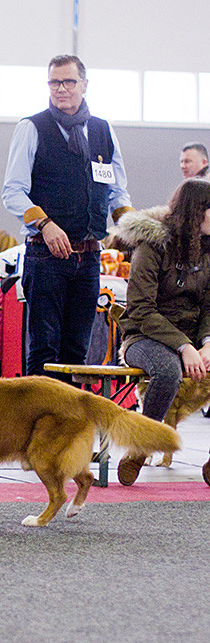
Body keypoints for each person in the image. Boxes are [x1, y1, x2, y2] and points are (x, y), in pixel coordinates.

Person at [2, 54, 133, 377]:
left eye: (68, 81)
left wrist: (132, 230)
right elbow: (13, 191)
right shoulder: (31, 127)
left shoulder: (103, 130)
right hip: (45, 257)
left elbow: (117, 192)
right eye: (54, 82)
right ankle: (39, 424)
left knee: (77, 351)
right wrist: (44, 224)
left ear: (84, 85)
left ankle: (68, 427)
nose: (60, 89)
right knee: (44, 349)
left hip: (88, 258)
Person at [114, 179, 210, 485]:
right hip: (144, 337)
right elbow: (141, 309)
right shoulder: (152, 245)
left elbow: (209, 306)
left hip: (193, 340)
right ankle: (140, 446)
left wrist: (207, 343)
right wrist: (184, 346)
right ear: (197, 213)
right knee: (168, 372)